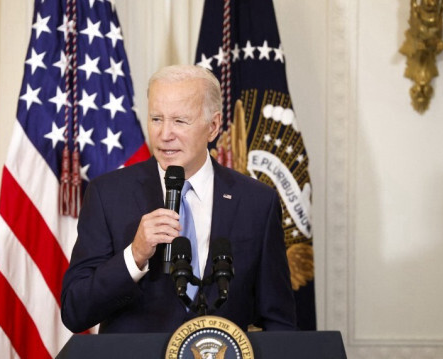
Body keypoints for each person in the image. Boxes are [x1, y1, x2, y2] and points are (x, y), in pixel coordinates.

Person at [61, 64, 296, 333]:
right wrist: (135, 255)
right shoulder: (108, 195)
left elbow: (280, 322)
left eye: (180, 121)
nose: (165, 134)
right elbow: (74, 311)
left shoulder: (257, 202)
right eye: (156, 119)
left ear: (213, 126)